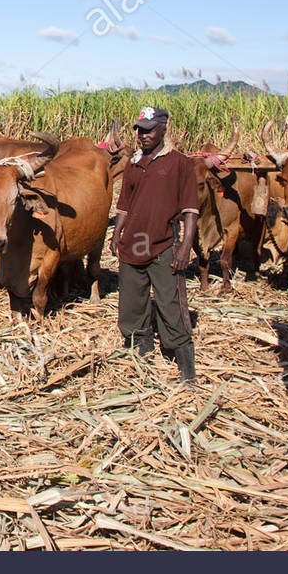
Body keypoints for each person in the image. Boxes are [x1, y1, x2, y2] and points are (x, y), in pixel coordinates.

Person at [110, 106, 200, 382]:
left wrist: (186, 246)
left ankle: (183, 359)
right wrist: (116, 234)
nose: (143, 135)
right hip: (133, 243)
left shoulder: (179, 163)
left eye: (149, 130)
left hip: (163, 242)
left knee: (169, 301)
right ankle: (140, 345)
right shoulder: (134, 163)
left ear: (163, 129)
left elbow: (190, 209)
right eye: (139, 130)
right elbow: (124, 203)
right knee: (131, 300)